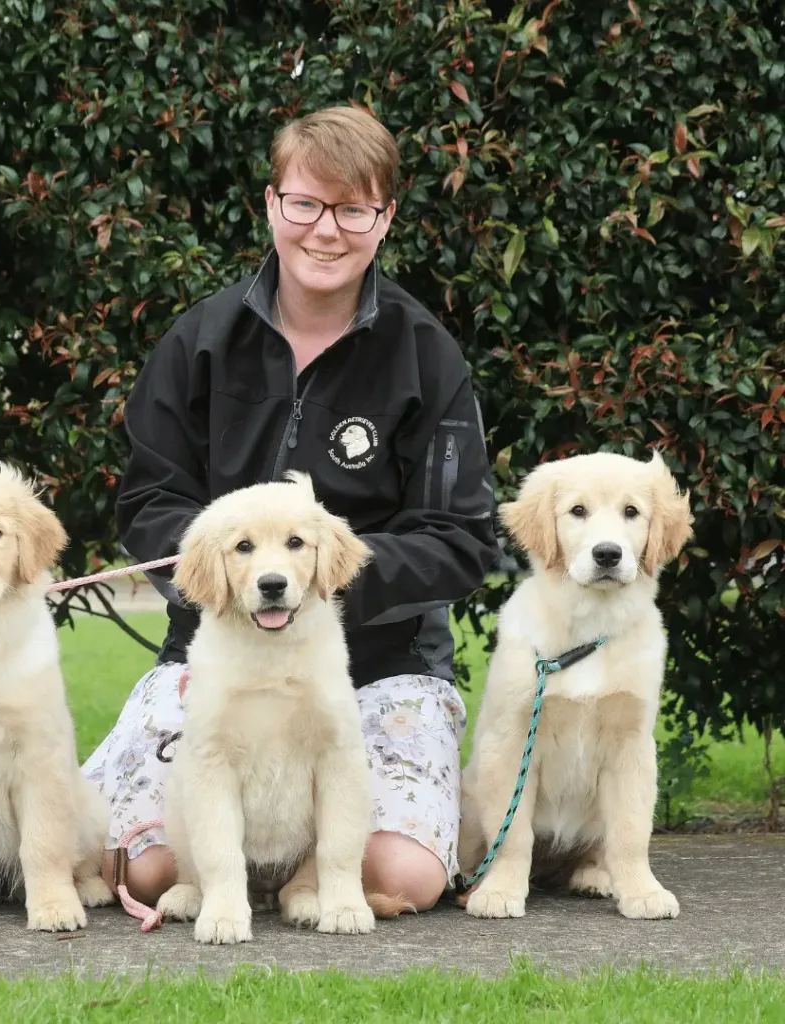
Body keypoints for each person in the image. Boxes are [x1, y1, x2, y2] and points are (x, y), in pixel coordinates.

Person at [81, 104, 499, 913]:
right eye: (305, 204)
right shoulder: (199, 340)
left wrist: (319, 574)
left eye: (353, 210)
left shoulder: (427, 354)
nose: (326, 231)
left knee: (401, 877)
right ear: (272, 204)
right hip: (213, 658)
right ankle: (245, 879)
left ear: (385, 220)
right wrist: (234, 570)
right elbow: (149, 498)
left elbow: (462, 540)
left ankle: (318, 876)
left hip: (382, 667)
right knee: (151, 871)